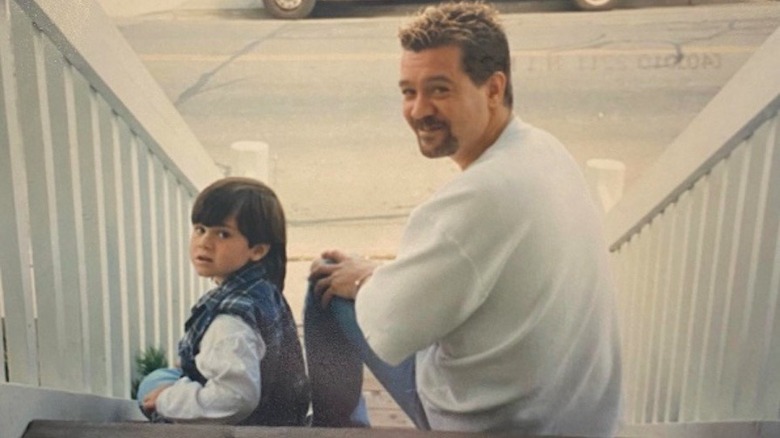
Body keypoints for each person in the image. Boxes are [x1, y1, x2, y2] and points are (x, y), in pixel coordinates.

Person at [304, 1, 623, 435]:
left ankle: (337, 427)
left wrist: (363, 280)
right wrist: (382, 277)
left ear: (493, 89)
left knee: (326, 280)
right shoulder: (546, 151)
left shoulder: (475, 199)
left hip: (498, 425)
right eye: (408, 91)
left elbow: (387, 330)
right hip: (579, 416)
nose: (418, 110)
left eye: (439, 89)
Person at [137, 177, 309, 425]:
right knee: (165, 374)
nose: (205, 242)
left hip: (248, 426)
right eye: (200, 229)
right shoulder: (261, 288)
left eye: (222, 234)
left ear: (257, 250)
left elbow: (235, 399)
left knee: (152, 384)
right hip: (277, 415)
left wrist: (165, 400)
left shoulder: (231, 320)